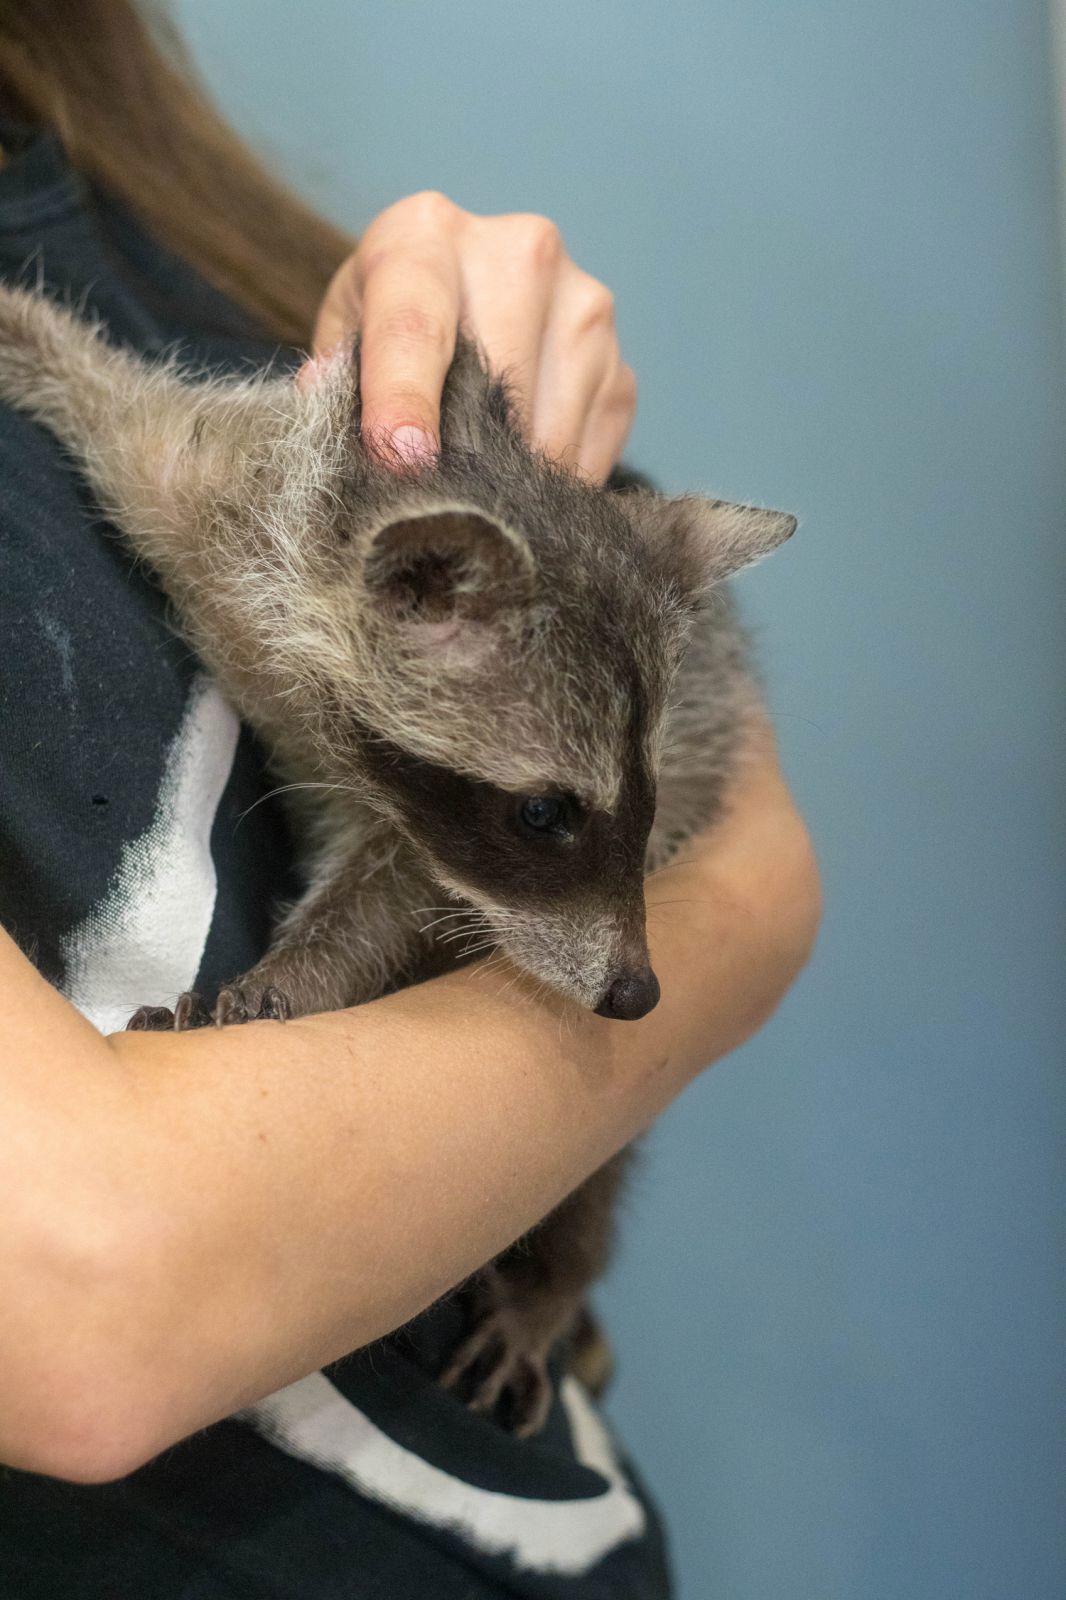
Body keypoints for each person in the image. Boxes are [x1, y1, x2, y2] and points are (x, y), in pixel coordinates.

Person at [0, 2, 821, 1595]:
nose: (623, 970)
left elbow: (746, 839)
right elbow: (84, 1306)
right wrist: (735, 927)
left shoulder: (160, 206)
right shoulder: (281, 520)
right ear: (417, 584)